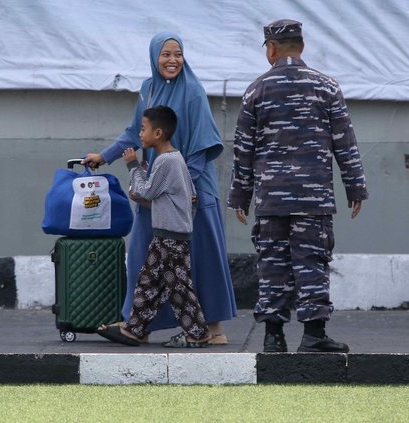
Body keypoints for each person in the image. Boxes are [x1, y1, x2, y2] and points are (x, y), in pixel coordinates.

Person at [82, 32, 236, 344]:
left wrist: (185, 191)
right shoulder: (148, 89)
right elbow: (134, 132)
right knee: (143, 254)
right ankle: (138, 325)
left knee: (200, 258)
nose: (172, 60)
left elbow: (202, 146)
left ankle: (214, 329)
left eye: (177, 54)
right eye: (165, 54)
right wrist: (105, 156)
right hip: (155, 189)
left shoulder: (193, 92)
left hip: (192, 192)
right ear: (154, 57)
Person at [227, 19, 369, 353]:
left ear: (271, 49)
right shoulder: (326, 87)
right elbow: (344, 143)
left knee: (273, 263)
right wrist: (355, 188)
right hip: (313, 198)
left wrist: (239, 196)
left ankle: (273, 337)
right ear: (301, 46)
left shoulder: (256, 90)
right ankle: (313, 335)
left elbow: (243, 150)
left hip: (270, 198)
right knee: (312, 262)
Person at [97, 106, 211, 347]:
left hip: (171, 237)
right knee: (149, 282)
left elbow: (145, 191)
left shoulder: (166, 161)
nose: (140, 134)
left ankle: (198, 334)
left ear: (158, 133)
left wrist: (132, 166)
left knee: (178, 287)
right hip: (166, 234)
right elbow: (179, 197)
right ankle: (134, 329)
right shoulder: (174, 159)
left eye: (143, 128)